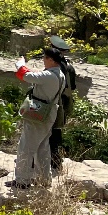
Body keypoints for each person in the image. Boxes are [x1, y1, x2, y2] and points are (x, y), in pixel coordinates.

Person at [11, 47, 67, 188]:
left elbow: (25, 76)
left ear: (51, 60)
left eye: (45, 58)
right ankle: (43, 179)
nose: (43, 60)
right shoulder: (60, 75)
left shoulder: (48, 76)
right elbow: (36, 74)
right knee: (42, 148)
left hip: (39, 113)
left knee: (26, 146)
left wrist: (20, 64)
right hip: (49, 113)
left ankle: (22, 180)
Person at [46, 36, 78, 171]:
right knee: (56, 133)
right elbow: (73, 87)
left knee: (50, 133)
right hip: (64, 103)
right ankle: (55, 161)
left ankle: (53, 162)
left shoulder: (55, 68)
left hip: (54, 103)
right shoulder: (69, 66)